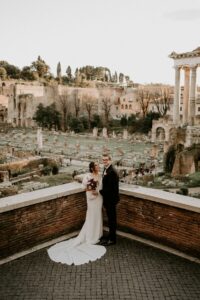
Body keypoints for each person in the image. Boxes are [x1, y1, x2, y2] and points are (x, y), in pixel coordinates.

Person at [47, 162, 106, 265]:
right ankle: (90, 237)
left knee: (98, 216)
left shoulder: (100, 175)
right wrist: (90, 189)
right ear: (92, 168)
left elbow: (102, 186)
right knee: (91, 216)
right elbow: (83, 187)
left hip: (99, 198)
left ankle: (97, 235)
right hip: (91, 199)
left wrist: (98, 191)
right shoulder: (87, 176)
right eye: (96, 165)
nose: (98, 166)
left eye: (98, 165)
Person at [99, 154, 119, 246]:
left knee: (112, 220)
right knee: (110, 219)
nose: (105, 161)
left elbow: (111, 188)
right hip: (108, 199)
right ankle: (110, 236)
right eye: (103, 160)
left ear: (110, 160)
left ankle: (112, 239)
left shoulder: (112, 171)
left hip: (111, 200)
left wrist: (100, 191)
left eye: (106, 160)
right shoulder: (106, 169)